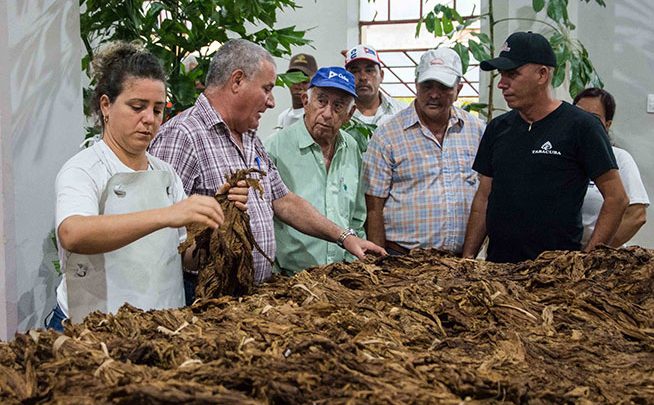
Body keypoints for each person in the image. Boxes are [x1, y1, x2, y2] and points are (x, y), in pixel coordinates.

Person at [149, 39, 386, 301]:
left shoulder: (249, 137)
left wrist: (344, 237)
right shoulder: (183, 136)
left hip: (251, 296)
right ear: (237, 81)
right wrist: (216, 220)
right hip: (206, 298)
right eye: (267, 89)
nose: (272, 102)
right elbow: (158, 234)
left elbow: (283, 200)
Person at [47, 42, 247, 331]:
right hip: (94, 327)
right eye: (137, 107)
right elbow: (73, 233)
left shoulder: (165, 174)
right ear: (106, 105)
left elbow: (183, 257)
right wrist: (167, 215)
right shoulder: (84, 169)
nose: (149, 120)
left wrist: (214, 222)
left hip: (161, 324)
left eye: (157, 109)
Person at [462, 31, 629, 263]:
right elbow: (484, 196)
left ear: (542, 74)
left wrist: (586, 261)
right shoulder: (498, 128)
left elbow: (617, 198)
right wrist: (468, 257)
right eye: (501, 75)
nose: (501, 84)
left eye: (512, 74)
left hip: (554, 274)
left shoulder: (581, 126)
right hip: (499, 270)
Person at [362, 48, 486, 256]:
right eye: (427, 86)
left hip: (461, 262)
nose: (434, 95)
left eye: (444, 87)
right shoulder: (388, 135)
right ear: (416, 85)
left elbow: (485, 194)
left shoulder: (477, 131)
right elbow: (374, 206)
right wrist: (378, 264)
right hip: (402, 259)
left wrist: (469, 258)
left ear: (458, 89)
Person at [265, 67, 364, 275]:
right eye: (321, 101)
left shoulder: (352, 147)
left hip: (341, 278)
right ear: (305, 101)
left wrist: (351, 265)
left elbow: (357, 217)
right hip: (289, 279)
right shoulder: (275, 147)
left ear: (350, 114)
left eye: (338, 106)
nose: (327, 114)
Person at [573, 88, 649, 246]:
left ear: (607, 125)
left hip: (598, 261)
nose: (584, 123)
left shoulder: (620, 159)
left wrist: (592, 255)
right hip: (556, 259)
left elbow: (636, 215)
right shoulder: (561, 158)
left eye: (593, 118)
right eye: (578, 115)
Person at [344, 44, 406, 151]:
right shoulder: (338, 113)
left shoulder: (402, 112)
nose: (363, 77)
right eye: (355, 71)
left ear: (381, 75)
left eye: (369, 70)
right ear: (345, 77)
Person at [274, 53, 318, 131]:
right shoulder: (283, 117)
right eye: (294, 79)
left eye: (304, 81)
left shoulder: (318, 117)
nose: (298, 86)